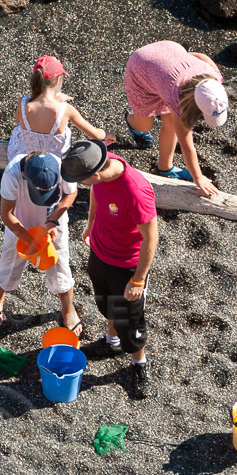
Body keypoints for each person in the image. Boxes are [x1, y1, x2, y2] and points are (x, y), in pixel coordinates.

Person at [59, 140, 159, 398]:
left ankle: (139, 363)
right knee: (106, 304)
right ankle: (111, 343)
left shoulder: (135, 190)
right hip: (100, 254)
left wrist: (138, 281)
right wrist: (91, 223)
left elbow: (151, 238)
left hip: (127, 266)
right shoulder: (101, 164)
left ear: (95, 174)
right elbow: (95, 194)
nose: (81, 185)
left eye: (83, 180)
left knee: (130, 324)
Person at [0, 151, 81, 335]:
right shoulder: (12, 173)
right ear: (25, 175)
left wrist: (52, 220)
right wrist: (31, 241)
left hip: (54, 219)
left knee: (60, 262)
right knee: (10, 258)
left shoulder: (61, 166)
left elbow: (71, 193)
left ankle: (68, 309)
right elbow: (7, 214)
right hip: (20, 222)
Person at [123, 40, 228, 196]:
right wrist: (198, 177)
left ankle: (165, 167)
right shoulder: (178, 98)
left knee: (170, 124)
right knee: (144, 125)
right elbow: (186, 144)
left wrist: (181, 60)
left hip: (168, 53)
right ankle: (131, 120)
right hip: (141, 67)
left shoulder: (214, 77)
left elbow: (201, 56)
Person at [6, 55, 110, 164]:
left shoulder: (23, 103)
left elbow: (18, 119)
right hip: (54, 161)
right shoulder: (66, 110)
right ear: (57, 81)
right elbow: (96, 135)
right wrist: (108, 135)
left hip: (24, 157)